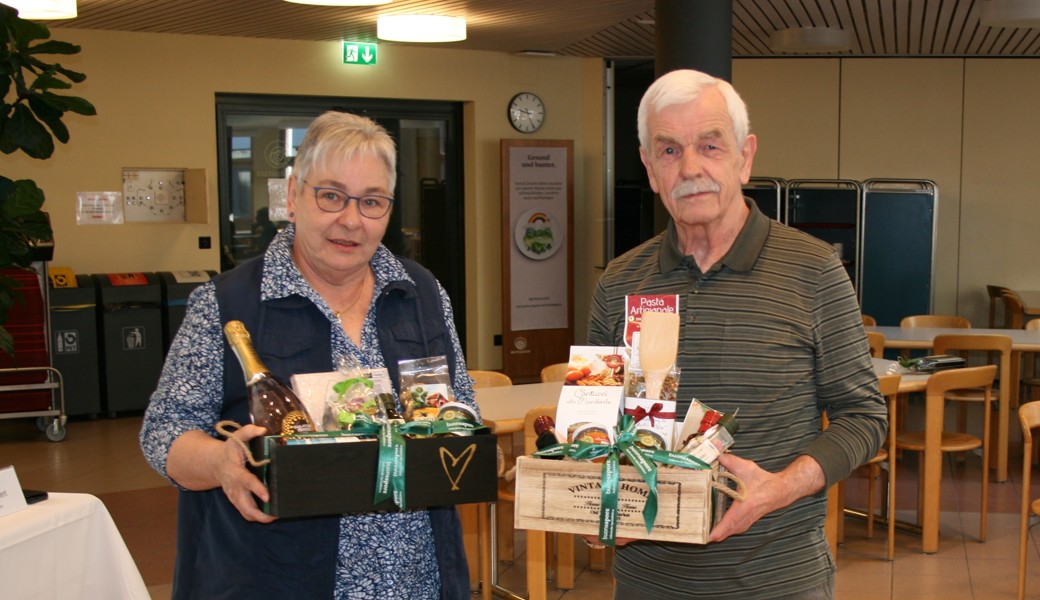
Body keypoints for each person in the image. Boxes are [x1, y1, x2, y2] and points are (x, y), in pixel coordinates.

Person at [141, 111, 477, 600]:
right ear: (294, 195)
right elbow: (163, 431)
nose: (350, 219)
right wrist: (219, 462)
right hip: (275, 573)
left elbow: (461, 408)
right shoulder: (231, 303)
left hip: (414, 579)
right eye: (331, 196)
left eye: (372, 202)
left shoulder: (421, 294)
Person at [587, 69, 887, 599]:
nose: (691, 168)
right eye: (670, 150)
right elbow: (596, 424)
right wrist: (591, 498)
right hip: (648, 584)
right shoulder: (618, 283)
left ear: (745, 157)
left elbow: (864, 418)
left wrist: (779, 487)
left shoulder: (814, 270)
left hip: (778, 581)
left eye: (710, 145)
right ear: (650, 169)